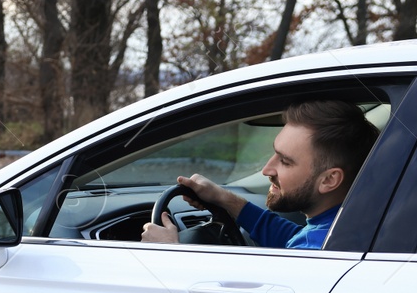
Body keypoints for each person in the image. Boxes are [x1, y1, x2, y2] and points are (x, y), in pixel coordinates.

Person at [140, 99, 381, 250]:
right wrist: (224, 199)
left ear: (329, 180)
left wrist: (169, 252)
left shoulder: (314, 252)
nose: (267, 169)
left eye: (285, 161)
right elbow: (293, 237)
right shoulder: (342, 227)